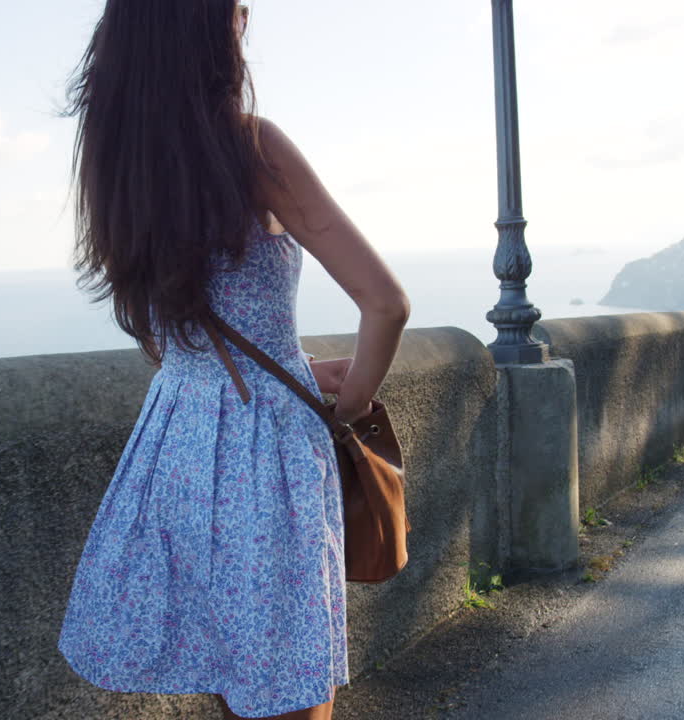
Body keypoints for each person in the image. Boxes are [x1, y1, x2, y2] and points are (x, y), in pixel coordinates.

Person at [55, 2, 410, 719]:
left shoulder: (114, 159)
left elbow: (165, 338)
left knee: (232, 673)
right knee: (289, 682)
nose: (245, 22)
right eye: (236, 10)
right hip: (266, 452)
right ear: (205, 30)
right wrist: (337, 409)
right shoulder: (251, 148)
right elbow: (385, 302)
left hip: (174, 444)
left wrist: (290, 361)